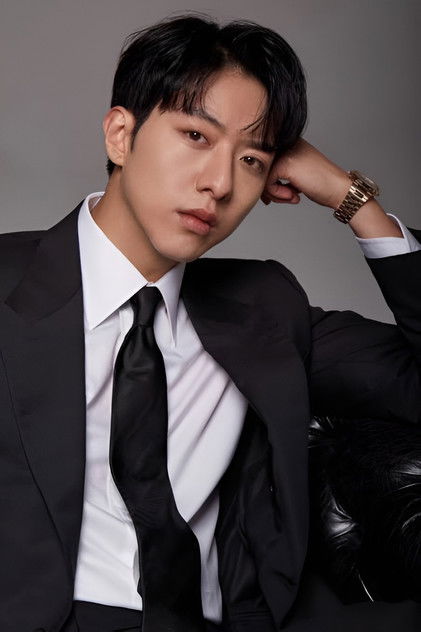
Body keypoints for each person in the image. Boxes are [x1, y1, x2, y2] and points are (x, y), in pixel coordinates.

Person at [0, 13, 420, 632]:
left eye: (251, 160)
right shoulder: (8, 283)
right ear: (121, 135)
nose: (220, 184)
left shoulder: (265, 308)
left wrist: (350, 198)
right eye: (196, 136)